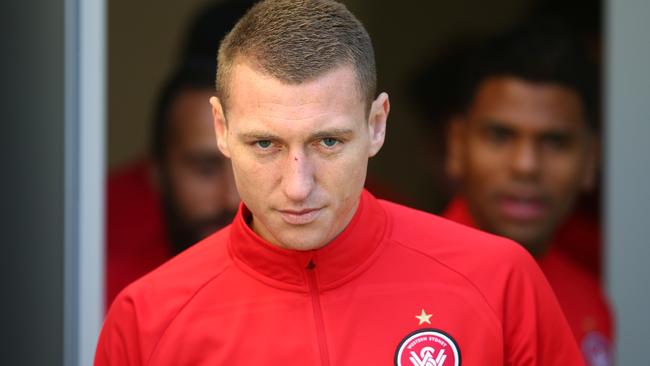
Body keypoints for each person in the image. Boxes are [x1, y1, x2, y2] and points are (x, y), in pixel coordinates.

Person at [95, 1, 583, 364]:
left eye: (328, 142)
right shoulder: (149, 319)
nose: (297, 186)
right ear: (222, 128)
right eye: (265, 144)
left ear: (376, 124)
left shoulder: (498, 282)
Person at [442, 20, 613, 365]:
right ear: (457, 145)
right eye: (500, 136)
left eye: (556, 141)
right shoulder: (396, 282)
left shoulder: (590, 302)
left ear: (591, 159)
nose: (526, 165)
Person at [106, 66, 239, 308]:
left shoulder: (301, 298)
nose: (232, 198)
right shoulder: (117, 300)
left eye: (244, 169)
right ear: (158, 173)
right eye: (205, 169)